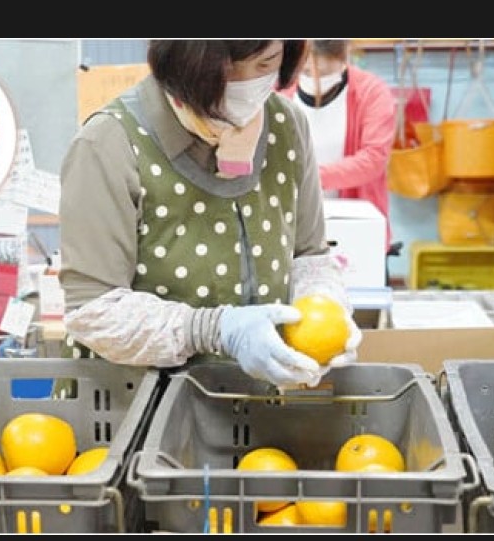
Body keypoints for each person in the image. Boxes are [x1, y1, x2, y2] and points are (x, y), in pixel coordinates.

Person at [58, 40, 361, 390]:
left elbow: (308, 256)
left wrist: (324, 306)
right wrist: (214, 329)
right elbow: (94, 308)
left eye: (266, 63)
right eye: (226, 70)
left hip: (252, 404)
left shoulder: (286, 125)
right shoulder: (109, 143)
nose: (246, 85)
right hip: (131, 405)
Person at [278, 40, 398, 258]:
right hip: (291, 225)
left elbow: (374, 159)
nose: (315, 79)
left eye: (324, 72)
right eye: (306, 71)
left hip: (355, 226)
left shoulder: (371, 92)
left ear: (345, 56)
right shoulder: (279, 93)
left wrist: (311, 178)